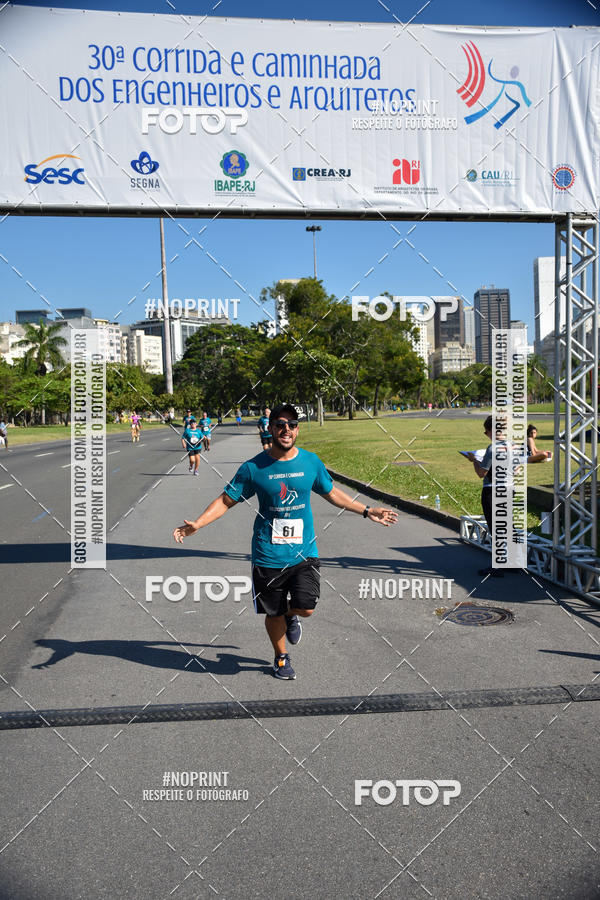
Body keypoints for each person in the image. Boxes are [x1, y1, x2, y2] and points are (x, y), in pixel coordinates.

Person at [173, 403, 398, 680]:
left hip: (304, 552)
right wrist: (198, 523)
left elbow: (331, 493)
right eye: (280, 424)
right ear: (270, 429)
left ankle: (291, 616)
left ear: (297, 430)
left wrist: (366, 510)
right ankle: (281, 657)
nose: (286, 429)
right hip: (268, 555)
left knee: (307, 607)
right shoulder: (253, 468)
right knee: (273, 612)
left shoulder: (311, 462)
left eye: (292, 424)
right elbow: (225, 500)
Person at [467, 415, 503, 578]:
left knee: (496, 528)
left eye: (486, 432)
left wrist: (474, 460)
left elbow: (482, 473)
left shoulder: (492, 448)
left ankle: (497, 565)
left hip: (491, 490)